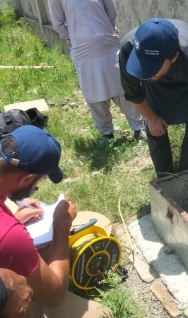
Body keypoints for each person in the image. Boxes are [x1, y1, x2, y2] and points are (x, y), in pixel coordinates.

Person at [0, 125, 113, 317]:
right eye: (37, 183)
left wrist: (14, 219)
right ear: (26, 178)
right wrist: (61, 224)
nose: (35, 187)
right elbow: (55, 295)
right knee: (102, 314)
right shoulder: (10, 236)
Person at [119, 18, 188, 197]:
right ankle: (165, 181)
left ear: (174, 56)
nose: (144, 71)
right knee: (155, 128)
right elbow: (133, 92)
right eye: (141, 65)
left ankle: (187, 174)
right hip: (155, 87)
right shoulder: (128, 48)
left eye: (151, 67)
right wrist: (151, 118)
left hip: (186, 83)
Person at [48, 0, 146, 140]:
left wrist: (106, 31)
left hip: (109, 44)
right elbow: (58, 23)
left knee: (123, 85)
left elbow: (111, 11)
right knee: (93, 92)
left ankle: (139, 127)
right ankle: (106, 133)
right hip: (83, 50)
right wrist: (77, 37)